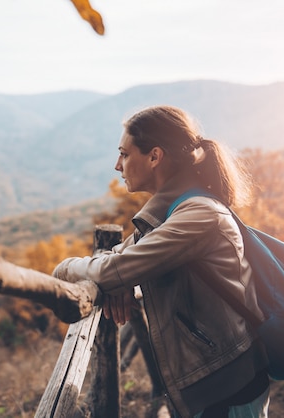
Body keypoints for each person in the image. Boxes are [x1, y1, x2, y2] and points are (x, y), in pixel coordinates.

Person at [52, 105, 270, 417]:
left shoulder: (199, 216)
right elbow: (120, 262)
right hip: (211, 381)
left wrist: (64, 268)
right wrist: (118, 279)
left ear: (155, 157)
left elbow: (114, 268)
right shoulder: (172, 214)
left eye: (125, 154)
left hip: (229, 386)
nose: (117, 165)